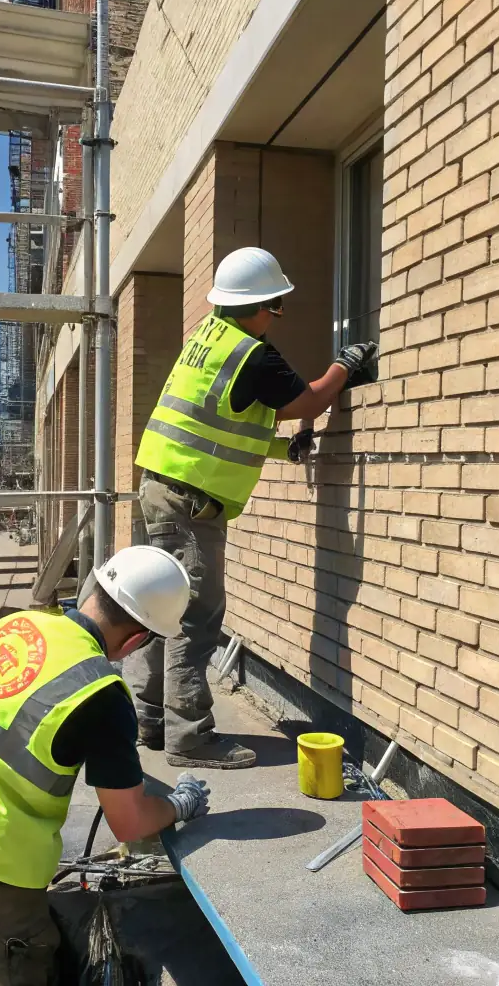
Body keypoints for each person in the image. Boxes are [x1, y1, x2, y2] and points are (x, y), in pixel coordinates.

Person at [0, 545, 211, 986]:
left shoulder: (18, 625)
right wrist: (180, 805)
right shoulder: (101, 692)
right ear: (138, 639)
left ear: (93, 588)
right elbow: (130, 821)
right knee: (19, 969)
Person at [131, 246, 378, 769]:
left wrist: (280, 448)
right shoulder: (252, 354)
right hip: (190, 505)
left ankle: (151, 719)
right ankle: (191, 738)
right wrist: (345, 367)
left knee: (156, 609)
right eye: (277, 305)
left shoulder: (205, 340)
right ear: (257, 305)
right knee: (195, 618)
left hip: (160, 487)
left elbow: (221, 426)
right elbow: (308, 402)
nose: (278, 316)